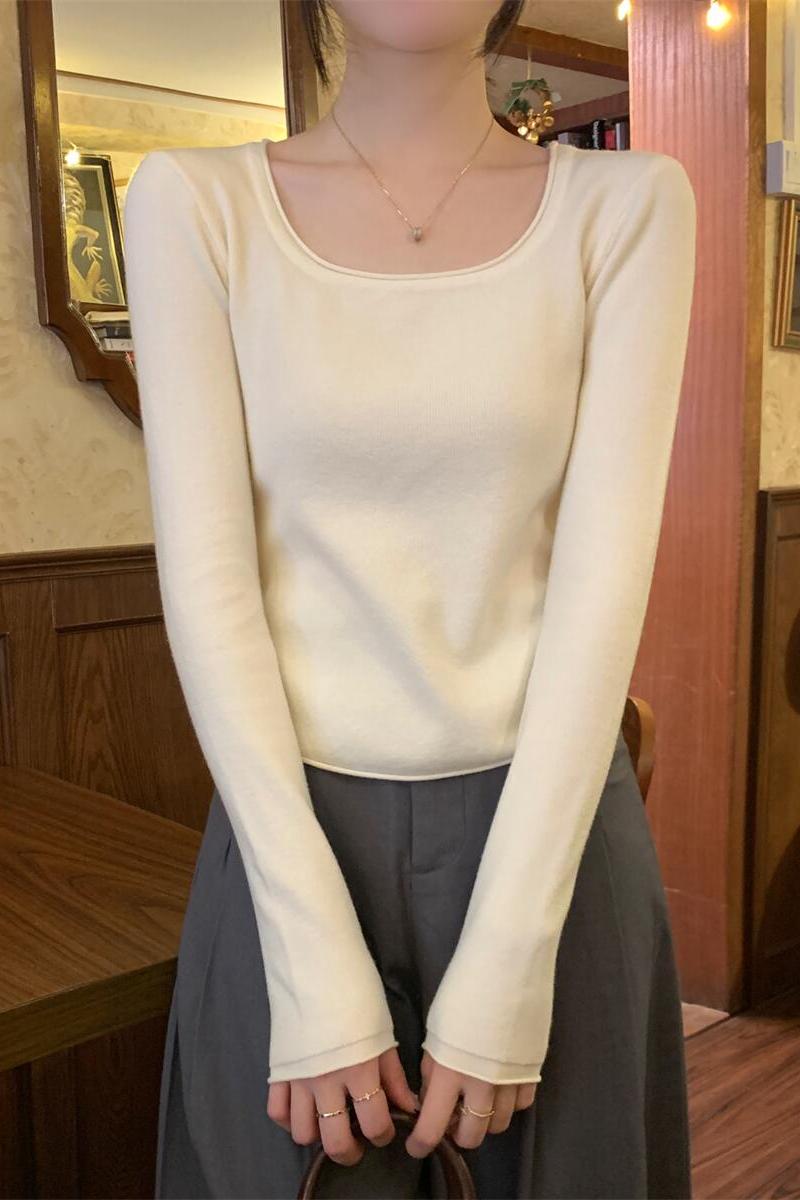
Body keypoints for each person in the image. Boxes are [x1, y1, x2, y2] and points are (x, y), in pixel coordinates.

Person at [123, 1, 697, 1195]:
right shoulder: (194, 203)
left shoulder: (628, 205)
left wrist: (510, 956)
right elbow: (211, 580)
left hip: (549, 840)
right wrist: (310, 955)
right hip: (287, 839)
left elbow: (600, 583)